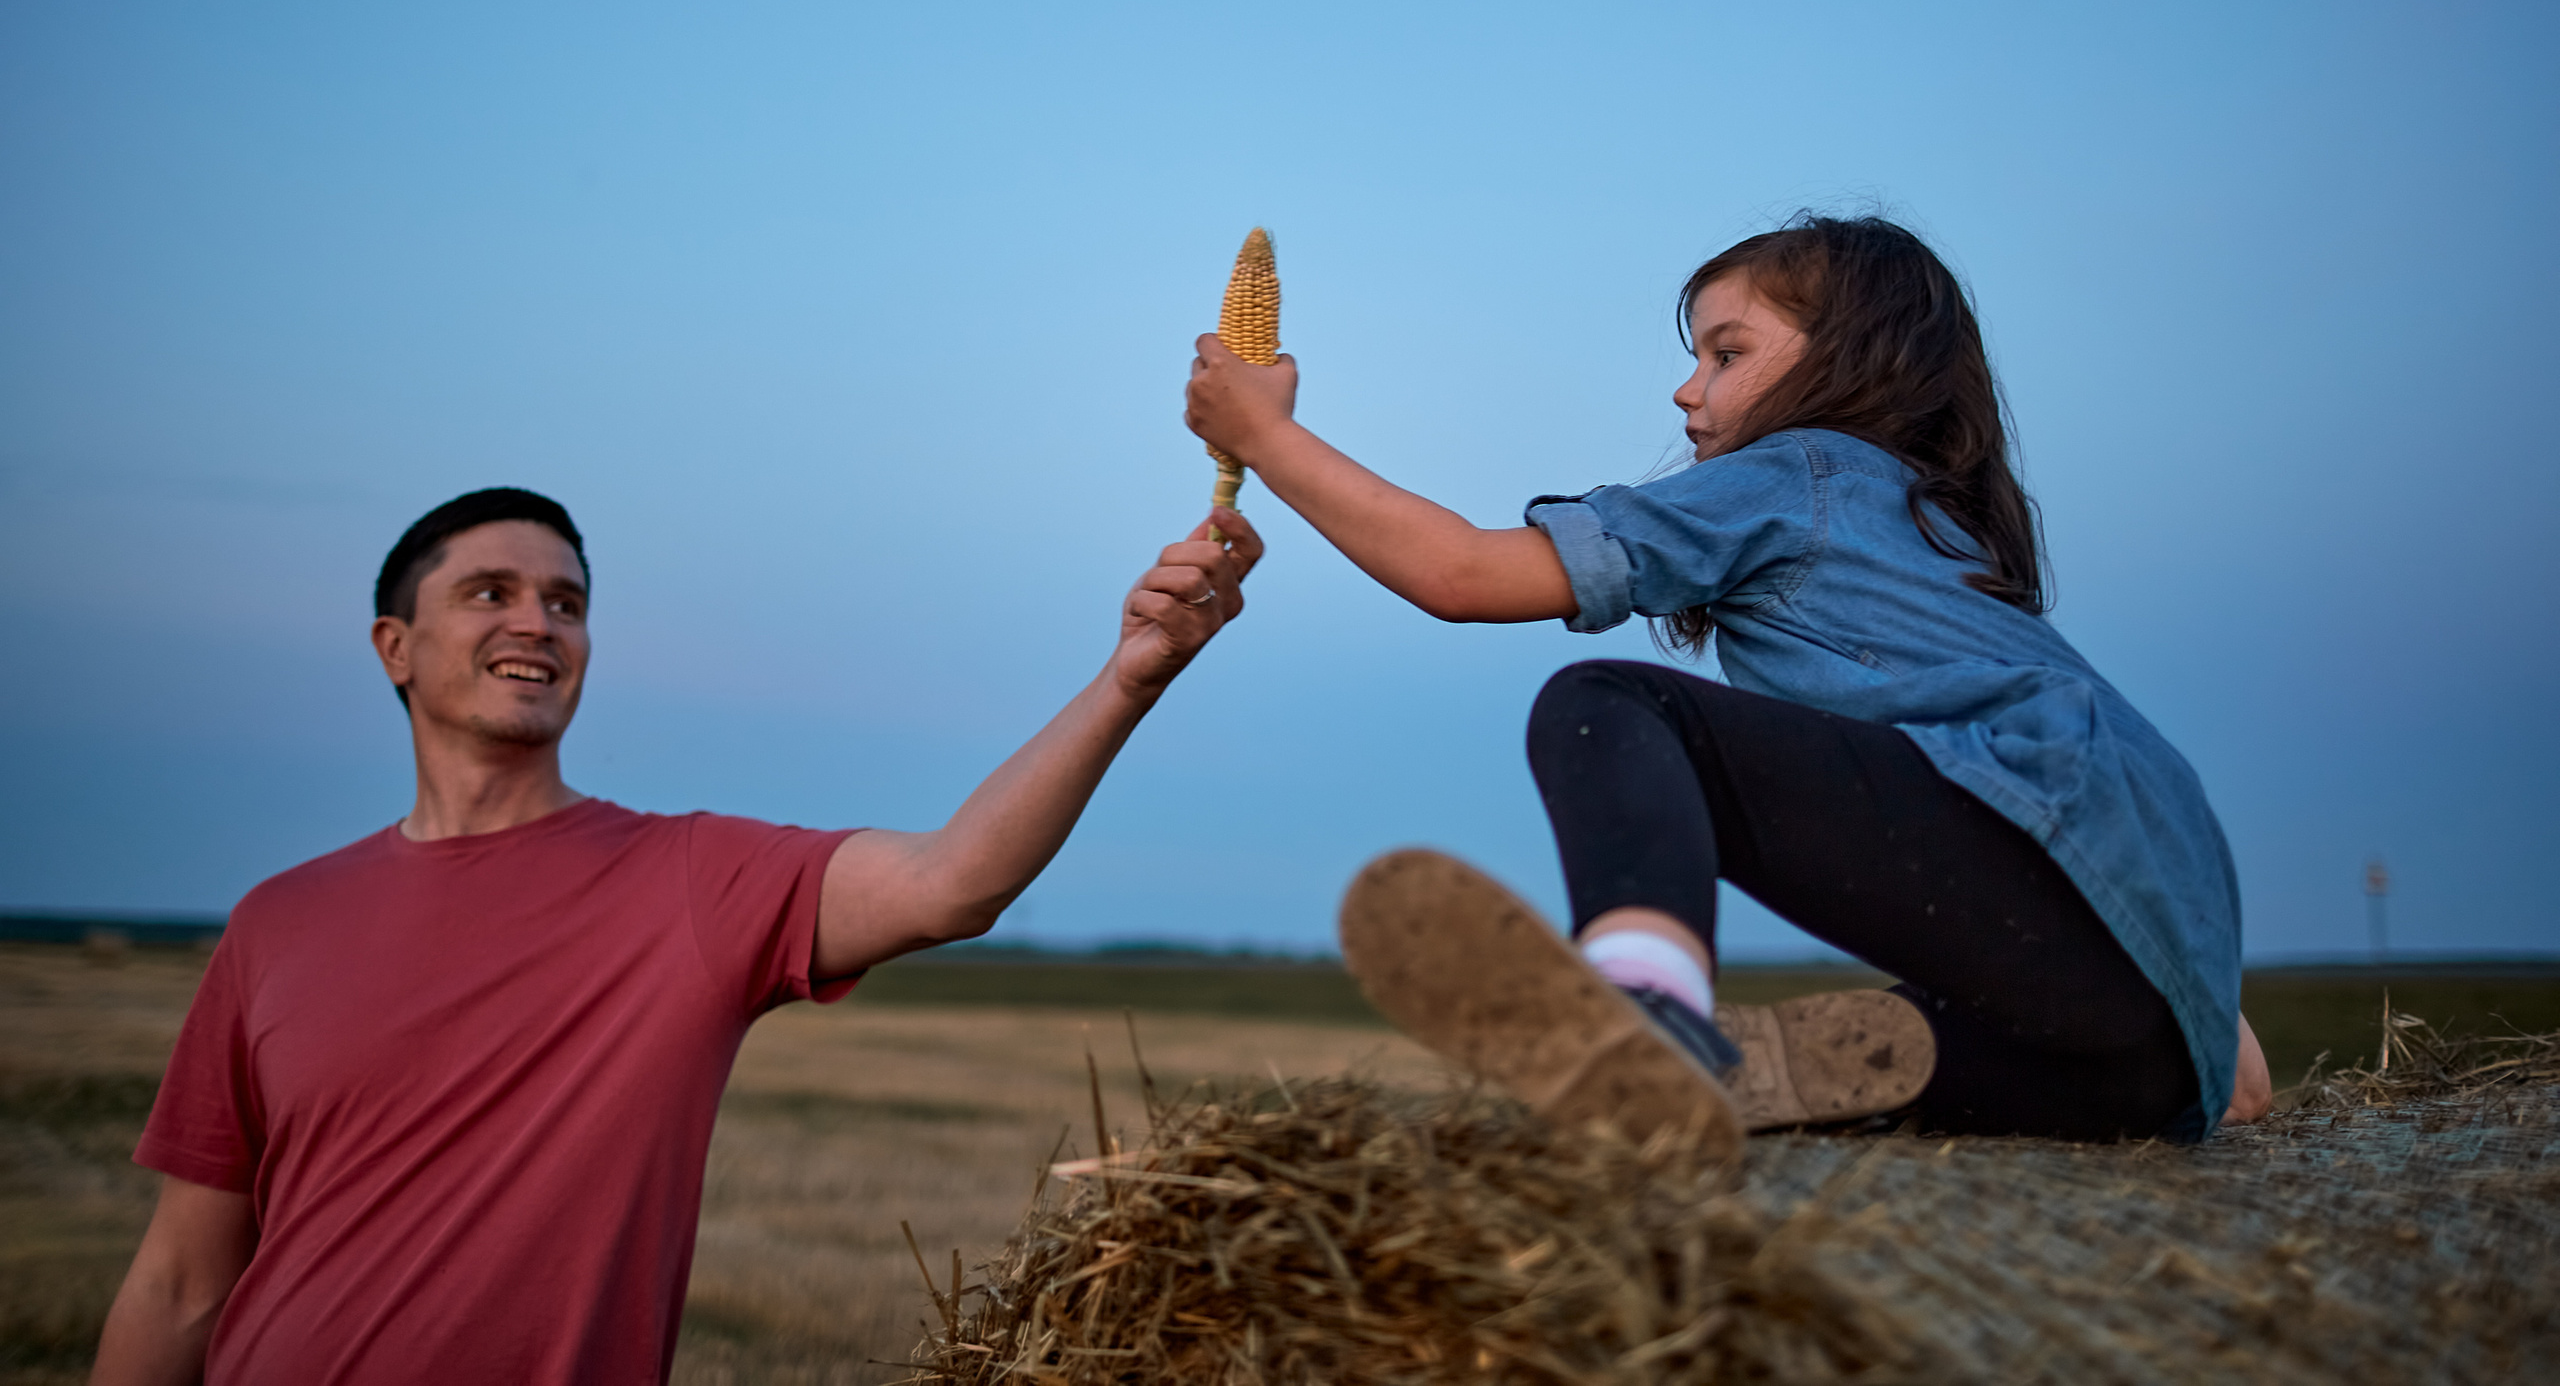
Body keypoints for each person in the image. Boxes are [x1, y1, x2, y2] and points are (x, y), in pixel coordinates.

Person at [94, 486, 1260, 1385]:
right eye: (489, 593)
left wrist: (1130, 679)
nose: (537, 624)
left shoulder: (690, 881)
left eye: (566, 603)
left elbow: (952, 880)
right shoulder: (280, 921)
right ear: (394, 648)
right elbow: (184, 1281)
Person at [1187, 214, 2273, 1156]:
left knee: (1607, 706)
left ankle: (1647, 1010)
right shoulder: (1950, 546)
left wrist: (1269, 439)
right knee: (1878, 1053)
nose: (1684, 386)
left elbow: (1460, 575)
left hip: (2035, 886)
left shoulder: (1802, 470)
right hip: (2135, 1049)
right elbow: (2124, 834)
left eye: (1723, 352)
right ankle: (1711, 1075)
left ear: (1850, 356)